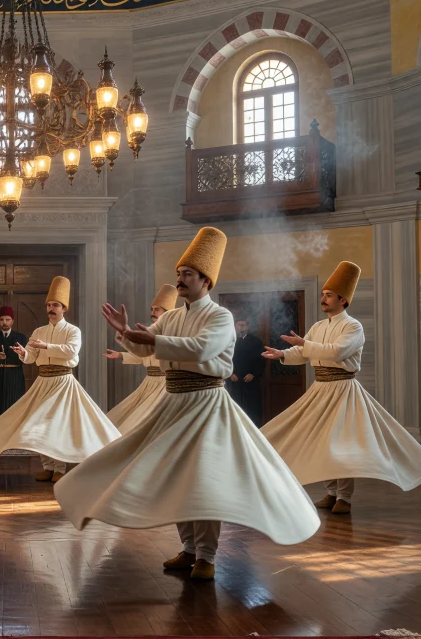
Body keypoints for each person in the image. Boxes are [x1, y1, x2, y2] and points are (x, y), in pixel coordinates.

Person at [56, 227, 320, 582]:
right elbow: (147, 350)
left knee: (204, 480)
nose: (179, 280)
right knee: (177, 475)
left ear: (206, 280)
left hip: (208, 403)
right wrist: (124, 334)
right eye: (179, 274)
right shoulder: (172, 317)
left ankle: (207, 557)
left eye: (187, 275)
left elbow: (201, 349)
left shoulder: (220, 317)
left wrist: (150, 338)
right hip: (174, 401)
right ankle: (189, 548)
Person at [260, 261, 421, 514]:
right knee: (321, 442)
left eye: (328, 295)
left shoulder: (353, 326)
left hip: (343, 389)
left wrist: (303, 344)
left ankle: (344, 497)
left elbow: (337, 351)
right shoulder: (319, 327)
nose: (323, 298)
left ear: (342, 300)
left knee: (342, 444)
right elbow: (304, 352)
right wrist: (283, 354)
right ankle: (330, 493)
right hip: (320, 389)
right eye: (322, 294)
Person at [0, 277, 119, 483]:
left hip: (63, 381)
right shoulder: (39, 331)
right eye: (49, 305)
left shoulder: (72, 331)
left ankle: (60, 468)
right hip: (43, 381)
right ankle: (48, 467)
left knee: (58, 426)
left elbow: (71, 351)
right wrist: (23, 352)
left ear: (64, 308)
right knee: (40, 425)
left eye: (55, 305)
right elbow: (32, 358)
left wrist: (45, 347)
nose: (51, 309)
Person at [103, 284, 177, 430]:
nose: (153, 312)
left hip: (165, 384)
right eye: (152, 309)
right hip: (149, 382)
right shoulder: (149, 330)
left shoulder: (172, 332)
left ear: (167, 313)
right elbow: (144, 355)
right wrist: (121, 355)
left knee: (146, 420)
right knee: (125, 416)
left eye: (157, 309)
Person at [0, 307, 27, 428]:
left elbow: (27, 357)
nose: (5, 323)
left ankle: (13, 436)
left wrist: (12, 355)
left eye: (7, 320)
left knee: (14, 404)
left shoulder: (21, 338)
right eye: (2, 320)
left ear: (12, 321)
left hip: (14, 377)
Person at [228, 319, 266, 425]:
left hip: (251, 380)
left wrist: (253, 374)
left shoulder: (256, 342)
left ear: (247, 327)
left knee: (252, 407)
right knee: (235, 406)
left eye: (243, 325)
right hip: (234, 380)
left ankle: (255, 430)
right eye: (239, 325)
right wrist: (230, 373)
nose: (241, 327)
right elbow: (225, 358)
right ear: (235, 326)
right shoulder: (229, 341)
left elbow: (261, 360)